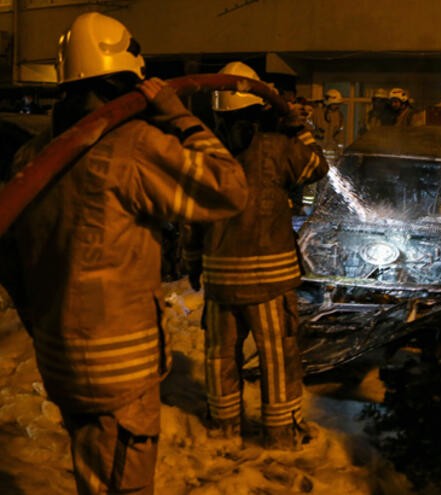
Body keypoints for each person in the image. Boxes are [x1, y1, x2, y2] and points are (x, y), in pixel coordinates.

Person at [0, 12, 248, 495]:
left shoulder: (34, 155)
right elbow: (228, 188)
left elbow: (12, 262)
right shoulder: (132, 147)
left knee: (96, 474)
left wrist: (47, 325)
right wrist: (177, 115)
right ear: (128, 83)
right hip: (119, 375)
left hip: (62, 362)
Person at [183, 61, 328, 450]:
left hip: (220, 281)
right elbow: (319, 166)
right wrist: (298, 128)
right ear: (259, 109)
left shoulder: (205, 154)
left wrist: (193, 263)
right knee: (278, 356)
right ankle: (281, 435)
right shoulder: (279, 148)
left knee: (219, 355)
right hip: (270, 283)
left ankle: (223, 428)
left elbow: (192, 219)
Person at [312, 88, 344, 157]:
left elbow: (340, 136)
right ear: (328, 103)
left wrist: (340, 152)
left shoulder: (339, 116)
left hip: (332, 154)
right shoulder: (316, 113)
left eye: (338, 104)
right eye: (335, 104)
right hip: (316, 153)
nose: (337, 106)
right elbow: (308, 130)